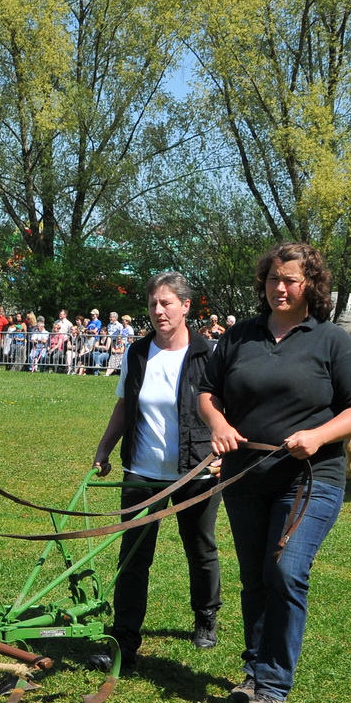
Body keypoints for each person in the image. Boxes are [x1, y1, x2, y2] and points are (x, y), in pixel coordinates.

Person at [200, 242, 351, 703]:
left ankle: (273, 685)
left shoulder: (332, 341)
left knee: (286, 569)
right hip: (244, 476)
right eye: (274, 278)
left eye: (291, 280)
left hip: (309, 478)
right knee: (255, 577)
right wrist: (216, 423)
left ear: (310, 286)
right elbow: (207, 392)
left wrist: (318, 436)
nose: (280, 287)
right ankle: (254, 670)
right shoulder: (241, 336)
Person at [92, 272, 222, 670]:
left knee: (199, 549)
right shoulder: (137, 353)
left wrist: (224, 451)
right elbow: (123, 406)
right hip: (142, 470)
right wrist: (103, 448)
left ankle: (206, 616)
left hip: (196, 470)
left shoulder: (210, 353)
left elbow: (229, 410)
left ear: (186, 306)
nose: (158, 311)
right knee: (132, 557)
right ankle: (124, 636)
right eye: (153, 304)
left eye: (166, 303)